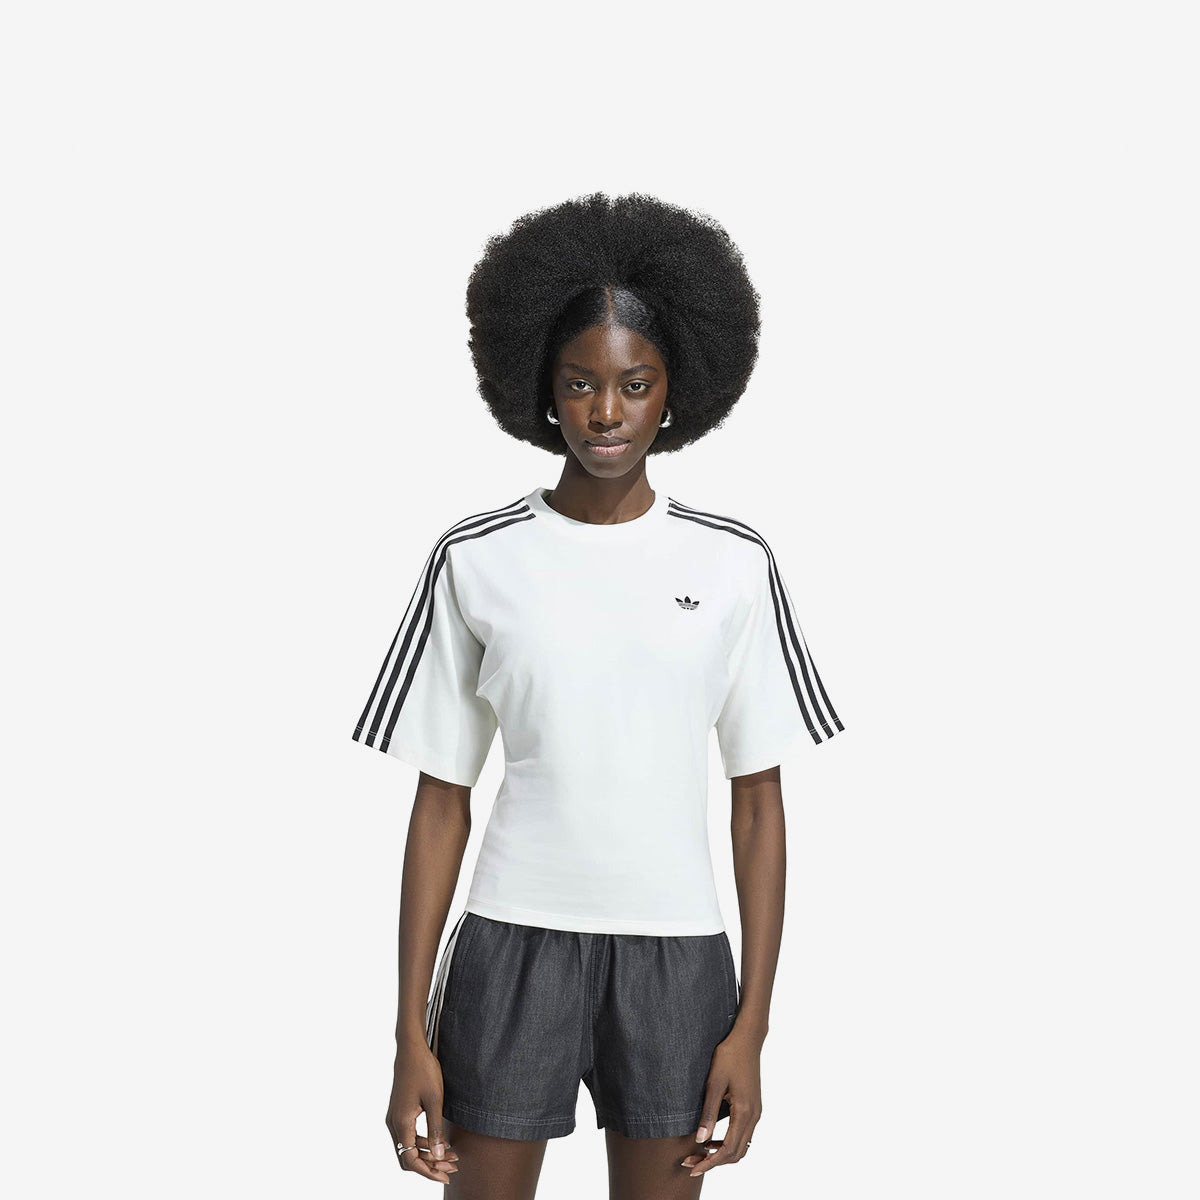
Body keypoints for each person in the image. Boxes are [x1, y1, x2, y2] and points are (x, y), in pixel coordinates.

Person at [351, 192, 846, 1197]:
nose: (607, 412)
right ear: (543, 388)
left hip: (678, 959)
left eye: (635, 383)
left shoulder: (735, 564)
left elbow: (759, 804)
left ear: (675, 391)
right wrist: (408, 1033)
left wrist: (751, 1026)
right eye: (580, 383)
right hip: (509, 944)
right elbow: (440, 801)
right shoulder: (475, 558)